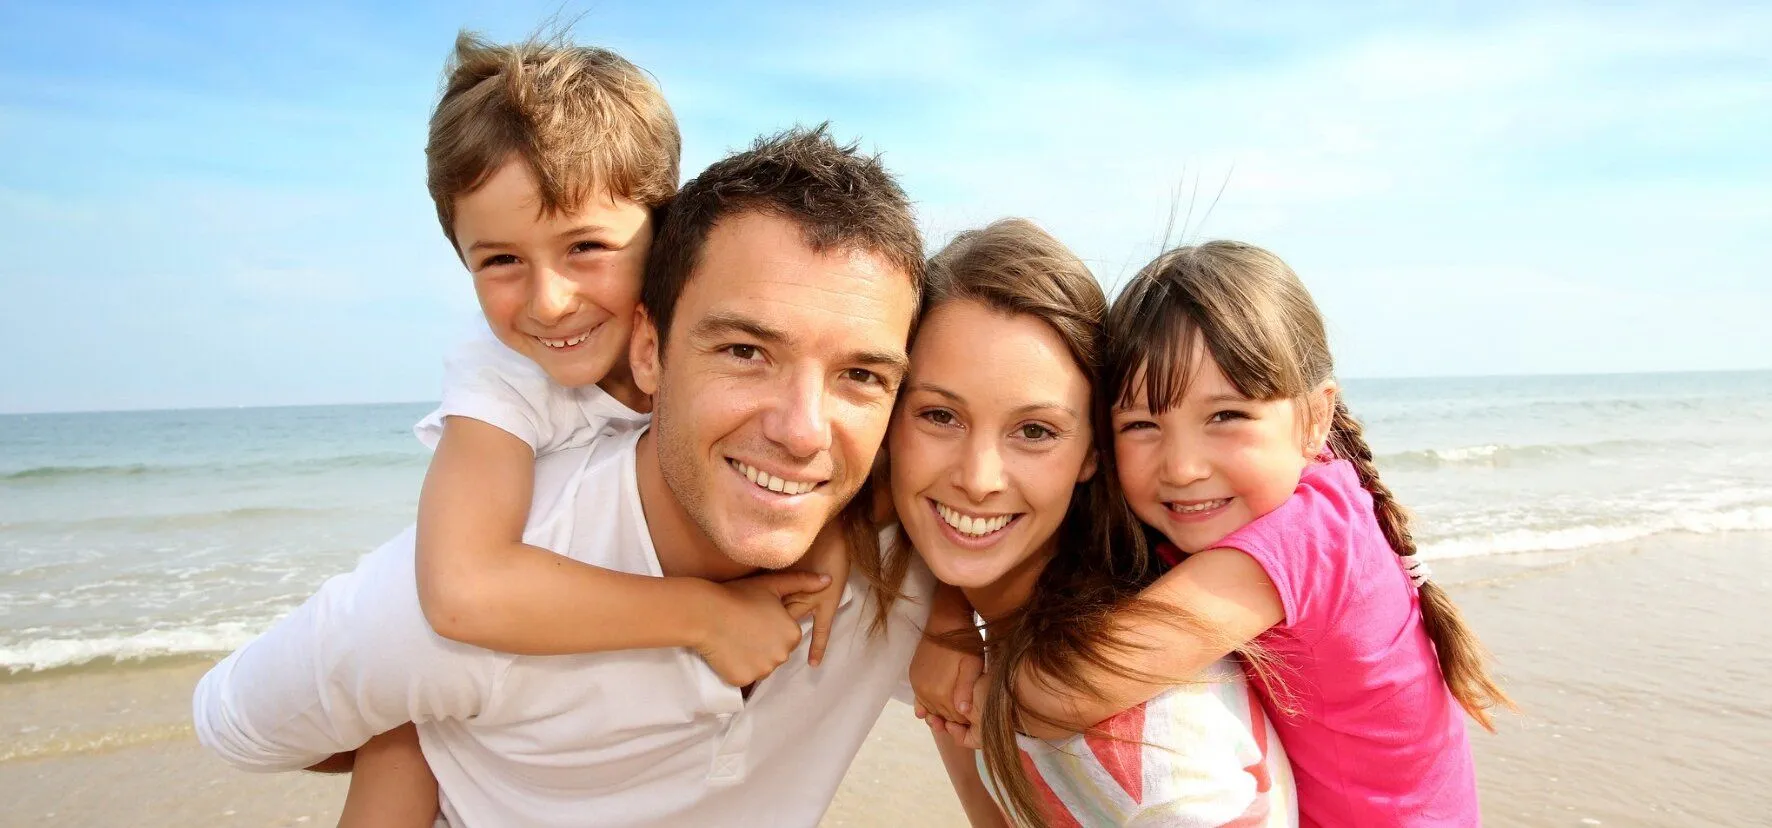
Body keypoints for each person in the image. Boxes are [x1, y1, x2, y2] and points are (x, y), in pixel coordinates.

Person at [193, 126, 936, 828]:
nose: (802, 429)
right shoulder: (453, 598)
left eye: (861, 375)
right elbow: (237, 726)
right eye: (745, 351)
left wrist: (955, 646)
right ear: (649, 351)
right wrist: (413, 735)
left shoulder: (912, 542)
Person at [925, 240, 1512, 826]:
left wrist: (976, 680)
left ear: (1315, 418)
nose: (1183, 467)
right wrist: (945, 608)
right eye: (1142, 424)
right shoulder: (1297, 502)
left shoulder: (1303, 536)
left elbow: (1067, 691)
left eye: (1225, 416)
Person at [891, 221, 1296, 826]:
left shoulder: (1145, 752)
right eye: (940, 415)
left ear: (1092, 453)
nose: (979, 478)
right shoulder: (971, 636)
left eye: (1035, 431)